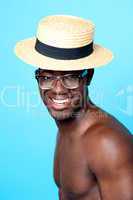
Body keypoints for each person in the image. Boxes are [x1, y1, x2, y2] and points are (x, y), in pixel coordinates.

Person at [15, 15, 133, 200]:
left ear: (88, 76)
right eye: (46, 77)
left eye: (70, 77)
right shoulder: (67, 128)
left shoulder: (107, 144)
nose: (58, 90)